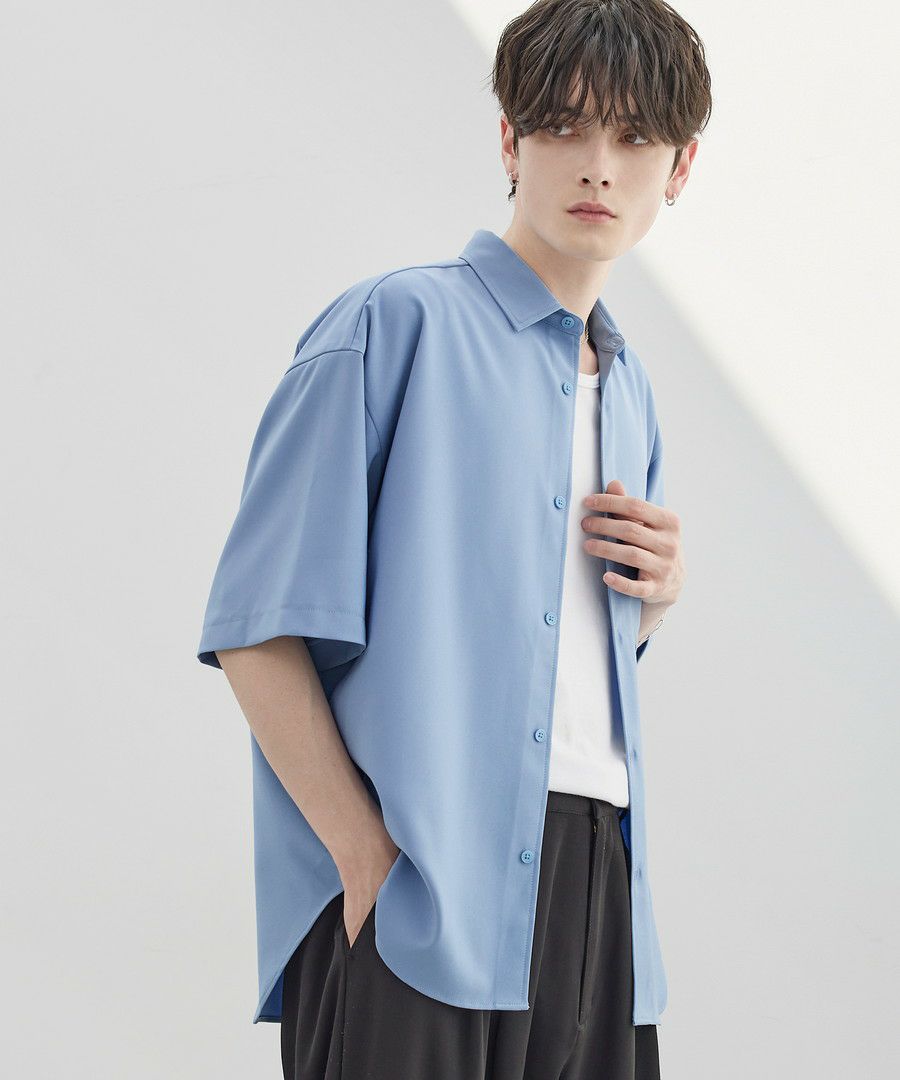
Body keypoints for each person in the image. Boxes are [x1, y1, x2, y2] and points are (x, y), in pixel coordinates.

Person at [197, 1, 707, 1076]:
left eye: (634, 137)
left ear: (681, 167)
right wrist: (364, 857)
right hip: (416, 891)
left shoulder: (633, 393)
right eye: (564, 126)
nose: (599, 166)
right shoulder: (390, 328)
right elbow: (255, 630)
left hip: (601, 894)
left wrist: (653, 604)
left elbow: (552, 662)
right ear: (511, 141)